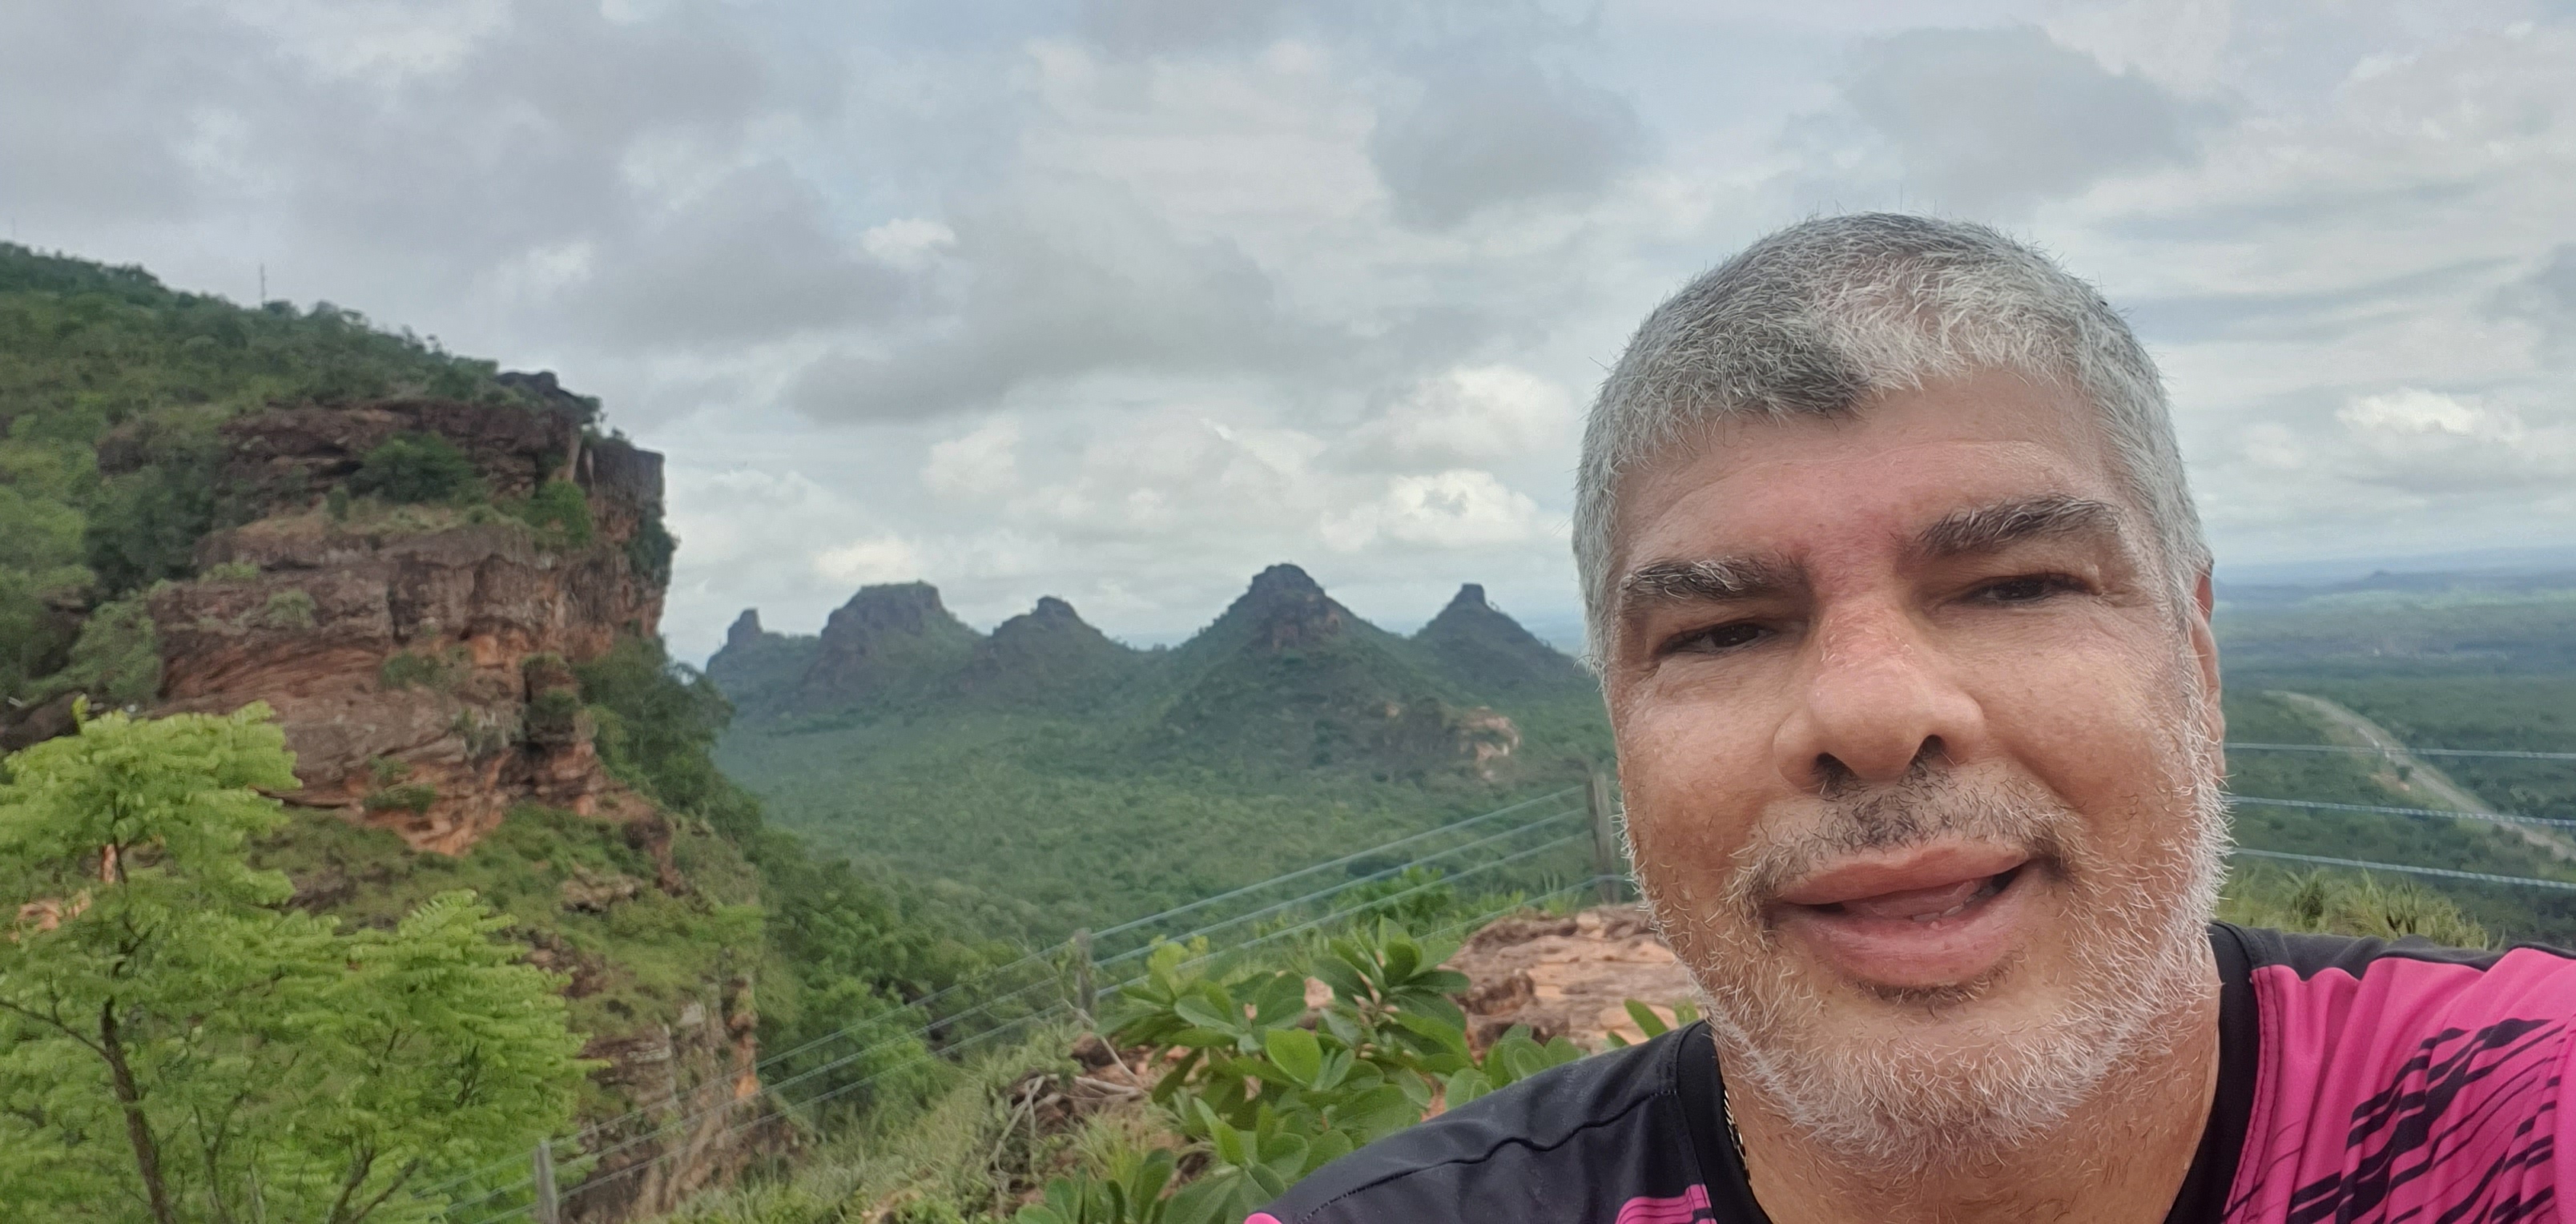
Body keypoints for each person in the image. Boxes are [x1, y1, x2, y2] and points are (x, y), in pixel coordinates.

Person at [1250, 213, 2576, 1224]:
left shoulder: (2518, 1112)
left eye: (2014, 585)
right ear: (1619, 724)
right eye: (1722, 630)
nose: (1872, 713)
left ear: (2195, 652)